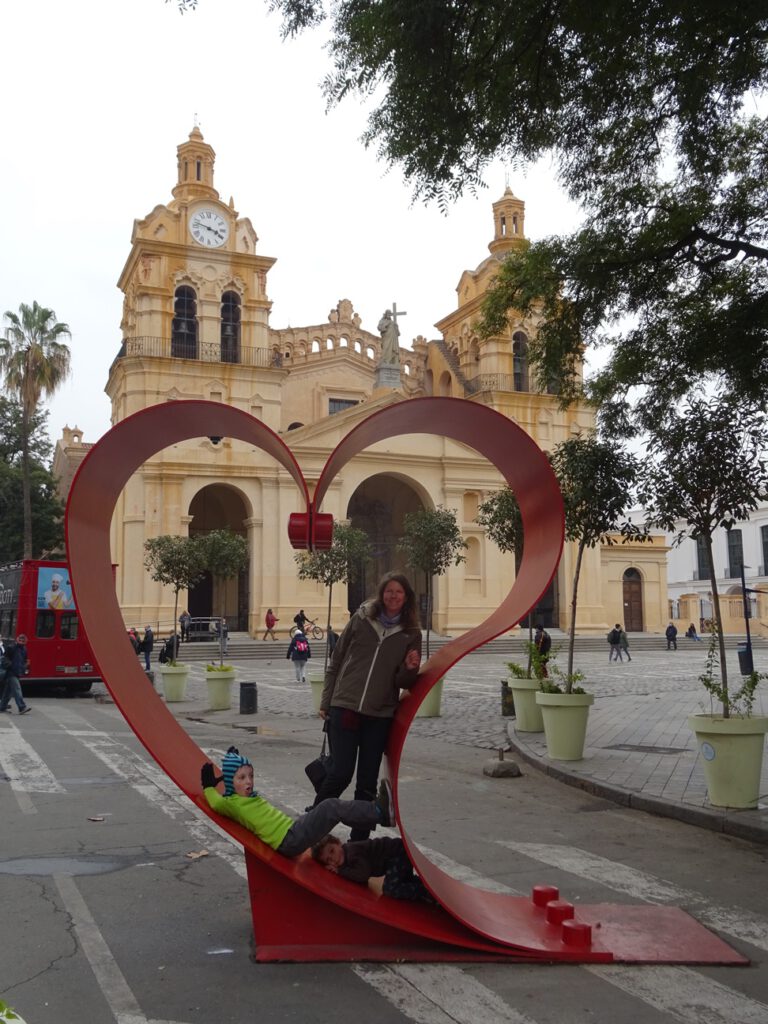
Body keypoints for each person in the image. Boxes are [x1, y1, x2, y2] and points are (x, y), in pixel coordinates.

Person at [314, 572, 421, 841]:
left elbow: (403, 681)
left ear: (406, 597)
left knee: (366, 783)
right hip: (346, 706)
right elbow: (336, 659)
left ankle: (359, 843)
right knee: (340, 773)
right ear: (381, 593)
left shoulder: (410, 633)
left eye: (399, 592)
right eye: (389, 591)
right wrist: (326, 700)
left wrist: (410, 669)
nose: (393, 596)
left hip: (379, 714)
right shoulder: (361, 618)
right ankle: (312, 827)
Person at [200, 747, 395, 858]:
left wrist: (232, 760)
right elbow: (217, 804)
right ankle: (379, 812)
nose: (249, 781)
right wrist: (208, 786)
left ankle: (376, 816)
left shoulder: (245, 797)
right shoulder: (232, 803)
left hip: (293, 829)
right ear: (230, 784)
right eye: (241, 778)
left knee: (324, 813)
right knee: (330, 807)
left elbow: (232, 784)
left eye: (250, 775)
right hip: (289, 840)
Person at [312, 834, 434, 903]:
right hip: (396, 855)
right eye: (328, 860)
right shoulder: (347, 857)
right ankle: (429, 887)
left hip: (398, 853)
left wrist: (340, 871)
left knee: (390, 890)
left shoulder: (352, 851)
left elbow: (363, 874)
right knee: (404, 880)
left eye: (332, 851)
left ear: (338, 843)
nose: (333, 858)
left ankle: (424, 891)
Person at [0, 634, 31, 715]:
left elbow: (25, 660)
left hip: (17, 672)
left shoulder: (24, 649)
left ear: (25, 642)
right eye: (20, 640)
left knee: (8, 692)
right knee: (17, 689)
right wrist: (11, 665)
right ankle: (22, 707)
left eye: (23, 641)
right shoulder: (11, 647)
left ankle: (2, 707)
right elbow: (4, 658)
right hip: (11, 672)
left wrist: (24, 668)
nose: (21, 642)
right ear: (17, 640)